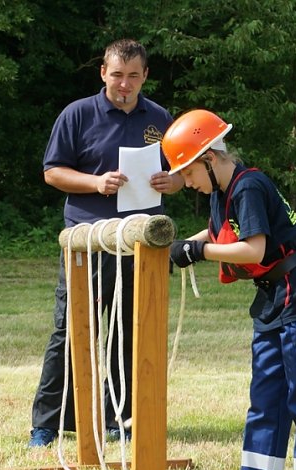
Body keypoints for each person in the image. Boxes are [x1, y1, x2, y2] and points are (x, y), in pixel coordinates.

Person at [162, 109, 296, 470]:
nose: (186, 183)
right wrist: (184, 244)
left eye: (188, 173)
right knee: (265, 399)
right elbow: (219, 233)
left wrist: (199, 253)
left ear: (208, 157)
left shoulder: (248, 186)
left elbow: (253, 250)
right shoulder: (222, 191)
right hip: (272, 301)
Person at [28, 39, 183, 447]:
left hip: (140, 243)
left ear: (145, 76)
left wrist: (175, 181)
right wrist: (96, 183)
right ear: (103, 73)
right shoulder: (77, 114)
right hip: (86, 241)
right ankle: (49, 425)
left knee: (132, 331)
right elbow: (53, 172)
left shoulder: (160, 118)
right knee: (71, 331)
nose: (125, 84)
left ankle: (122, 420)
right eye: (117, 75)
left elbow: (183, 173)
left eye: (133, 76)